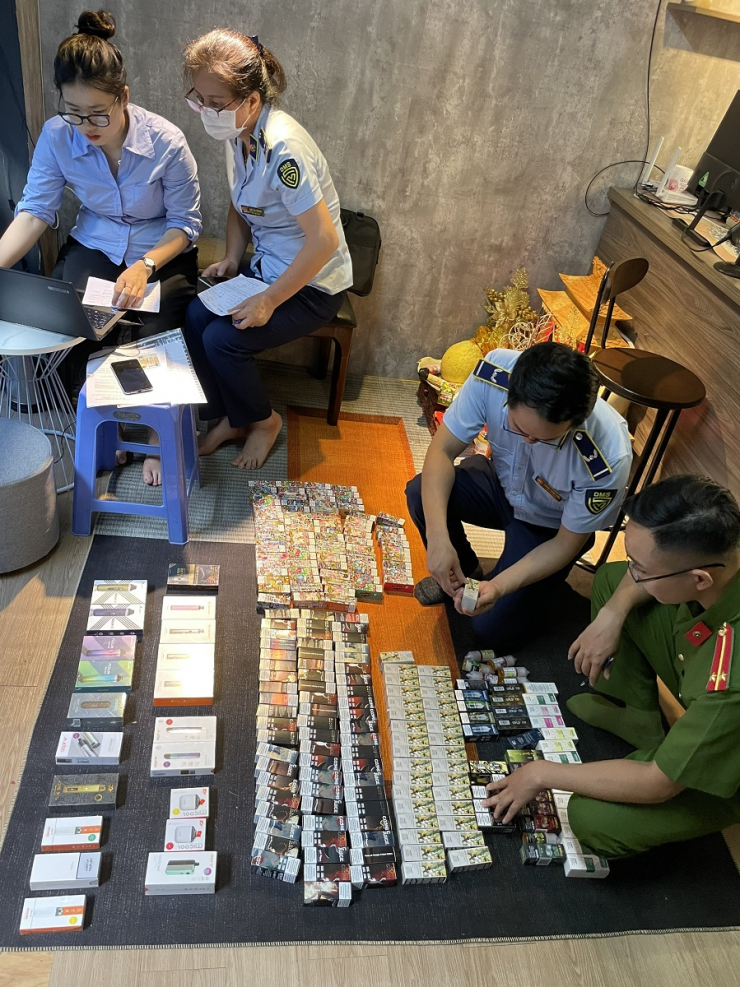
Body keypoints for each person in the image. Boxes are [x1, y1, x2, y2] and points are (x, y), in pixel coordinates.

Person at [484, 474, 740, 859]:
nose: (634, 573)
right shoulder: (725, 551)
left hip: (731, 763)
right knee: (611, 582)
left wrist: (541, 772)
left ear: (700, 579)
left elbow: (658, 784)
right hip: (706, 658)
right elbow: (631, 583)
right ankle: (640, 719)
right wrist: (612, 614)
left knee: (591, 818)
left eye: (642, 568)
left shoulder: (729, 681)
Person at [0, 10, 202, 485]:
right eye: (73, 112)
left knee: (160, 326)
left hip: (160, 248)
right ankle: (106, 426)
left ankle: (154, 436)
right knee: (71, 321)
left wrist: (145, 265)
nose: (85, 125)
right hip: (96, 240)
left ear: (123, 97)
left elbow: (186, 225)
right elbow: (35, 211)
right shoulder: (57, 136)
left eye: (97, 113)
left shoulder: (167, 142)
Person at [181, 30, 352, 470]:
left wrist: (269, 300)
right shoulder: (237, 133)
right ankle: (230, 418)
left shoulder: (284, 149)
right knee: (196, 316)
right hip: (267, 269)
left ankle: (263, 421)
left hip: (313, 283)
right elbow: (239, 206)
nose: (207, 112)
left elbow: (324, 240)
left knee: (222, 340)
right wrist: (232, 258)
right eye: (200, 100)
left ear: (252, 100)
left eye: (216, 102)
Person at [406, 341, 632, 652]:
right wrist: (438, 538)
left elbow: (566, 543)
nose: (528, 441)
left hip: (550, 526)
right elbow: (442, 451)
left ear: (576, 421)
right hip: (501, 483)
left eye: (544, 439)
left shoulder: (608, 456)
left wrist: (499, 586)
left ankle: (544, 590)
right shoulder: (495, 374)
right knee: (421, 492)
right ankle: (466, 569)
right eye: (518, 428)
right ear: (511, 393)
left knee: (490, 632)